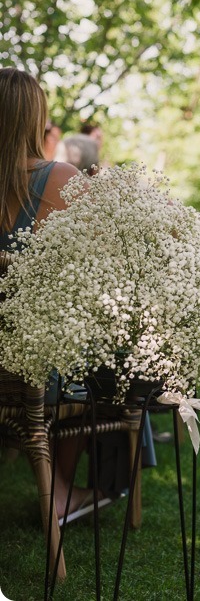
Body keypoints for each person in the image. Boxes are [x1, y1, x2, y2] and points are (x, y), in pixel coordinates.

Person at [0, 67, 92, 518]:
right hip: (37, 365)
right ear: (37, 120)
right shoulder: (60, 177)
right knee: (108, 359)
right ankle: (62, 492)